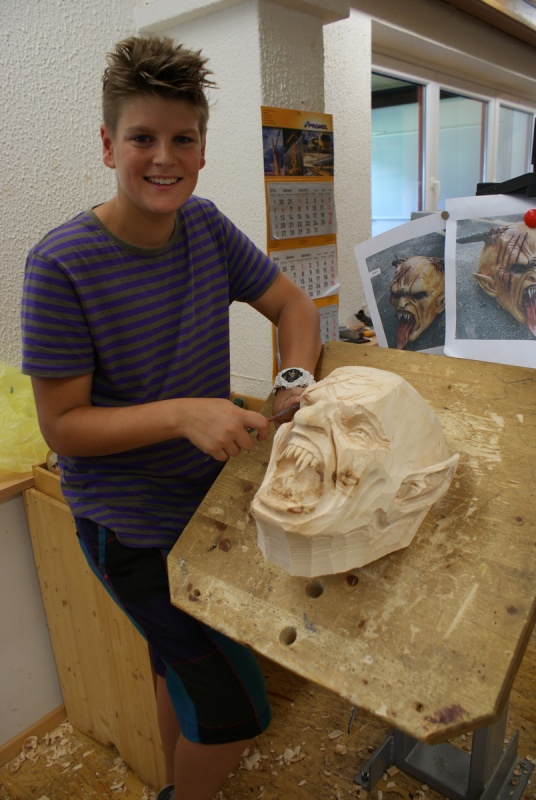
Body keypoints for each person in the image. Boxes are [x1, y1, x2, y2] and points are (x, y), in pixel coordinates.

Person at [21, 35, 321, 800]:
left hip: (208, 508)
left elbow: (293, 305)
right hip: (128, 531)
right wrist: (185, 414)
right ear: (107, 145)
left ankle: (169, 782)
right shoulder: (60, 265)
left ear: (203, 148)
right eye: (142, 138)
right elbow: (64, 427)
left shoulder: (206, 226)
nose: (164, 158)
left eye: (182, 139)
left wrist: (291, 386)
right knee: (236, 710)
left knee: (178, 672)